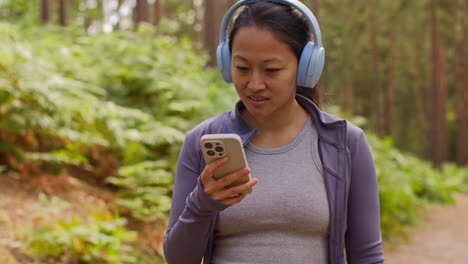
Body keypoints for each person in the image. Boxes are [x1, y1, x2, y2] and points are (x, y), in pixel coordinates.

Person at [163, 0, 384, 263]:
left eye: (272, 70)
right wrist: (202, 204)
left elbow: (367, 256)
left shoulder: (346, 142)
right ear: (226, 63)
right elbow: (177, 259)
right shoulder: (201, 141)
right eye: (242, 68)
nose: (255, 84)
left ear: (305, 69)